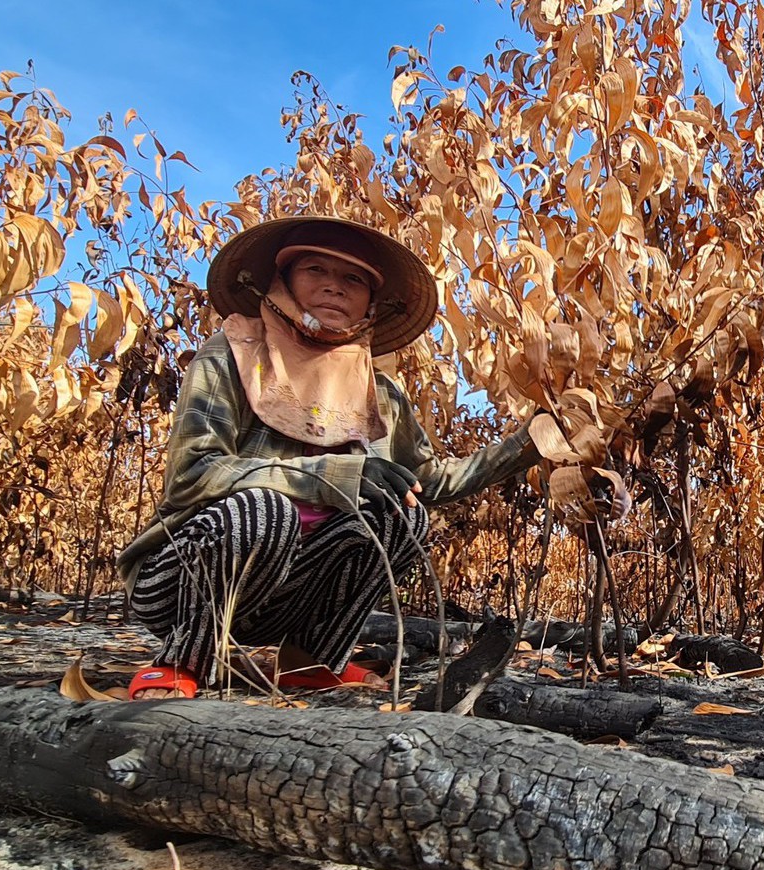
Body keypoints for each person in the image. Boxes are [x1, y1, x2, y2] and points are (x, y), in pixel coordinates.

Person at [117, 215, 538, 698]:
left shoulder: (379, 393)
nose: (335, 288)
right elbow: (194, 473)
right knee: (265, 509)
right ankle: (182, 661)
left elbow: (428, 480)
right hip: (183, 581)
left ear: (371, 300)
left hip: (292, 593)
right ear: (284, 280)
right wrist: (330, 475)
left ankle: (312, 661)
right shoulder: (230, 355)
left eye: (354, 278)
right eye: (316, 270)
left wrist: (530, 442)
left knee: (402, 514)